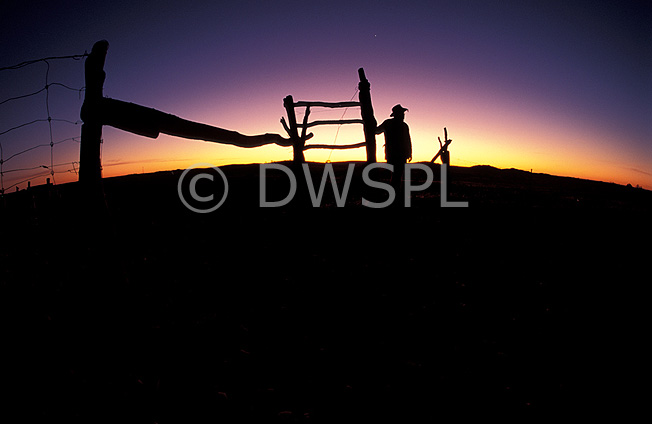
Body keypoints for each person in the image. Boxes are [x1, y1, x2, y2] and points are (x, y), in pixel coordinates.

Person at [375, 104, 412, 197]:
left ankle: (393, 193)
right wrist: (409, 152)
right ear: (396, 114)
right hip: (397, 154)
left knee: (396, 174)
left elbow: (376, 131)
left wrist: (409, 153)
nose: (403, 115)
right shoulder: (399, 125)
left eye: (403, 113)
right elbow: (408, 140)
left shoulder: (390, 123)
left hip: (395, 153)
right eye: (401, 113)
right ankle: (395, 193)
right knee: (397, 174)